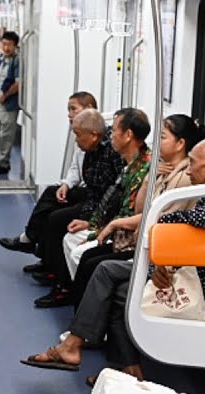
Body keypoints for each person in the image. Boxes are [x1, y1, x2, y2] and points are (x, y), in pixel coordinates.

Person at [21, 137, 205, 381]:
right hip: (189, 269)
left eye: (193, 163)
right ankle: (107, 361)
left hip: (203, 284)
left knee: (116, 287)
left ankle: (104, 360)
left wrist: (164, 222)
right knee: (110, 278)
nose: (189, 169)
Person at [68, 114, 205, 307]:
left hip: (152, 249)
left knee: (94, 264)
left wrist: (113, 224)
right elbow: (140, 209)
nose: (157, 142)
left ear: (180, 144)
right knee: (88, 259)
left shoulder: (183, 178)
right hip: (140, 239)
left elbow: (158, 219)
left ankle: (83, 330)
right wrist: (150, 178)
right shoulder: (163, 169)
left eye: (163, 137)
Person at [36, 107, 152, 308]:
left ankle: (81, 311)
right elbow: (110, 199)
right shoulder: (129, 165)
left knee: (84, 256)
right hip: (111, 224)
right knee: (69, 237)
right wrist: (91, 223)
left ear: (128, 135)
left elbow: (133, 211)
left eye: (114, 130)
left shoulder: (144, 169)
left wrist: (101, 227)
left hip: (126, 235)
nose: (111, 134)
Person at [29, 107, 124, 287]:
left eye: (79, 135)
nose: (76, 140)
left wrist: (91, 221)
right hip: (93, 197)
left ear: (94, 135)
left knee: (58, 219)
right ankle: (37, 248)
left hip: (102, 205)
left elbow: (112, 195)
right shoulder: (91, 148)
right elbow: (86, 180)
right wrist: (66, 185)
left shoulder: (112, 153)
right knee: (53, 196)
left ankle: (60, 281)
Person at [0, 92, 100, 254]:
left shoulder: (95, 136)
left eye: (73, 109)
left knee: (55, 215)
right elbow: (76, 166)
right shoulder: (81, 134)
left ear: (89, 109)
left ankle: (34, 246)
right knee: (52, 193)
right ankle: (33, 244)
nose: (69, 113)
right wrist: (66, 184)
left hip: (93, 197)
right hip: (84, 190)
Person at [0, 31, 22, 176]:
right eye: (4, 44)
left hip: (8, 103)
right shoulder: (3, 58)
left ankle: (4, 163)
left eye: (10, 45)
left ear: (15, 46)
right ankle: (2, 160)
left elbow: (18, 83)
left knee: (6, 134)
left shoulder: (17, 60)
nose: (6, 47)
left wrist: (5, 95)